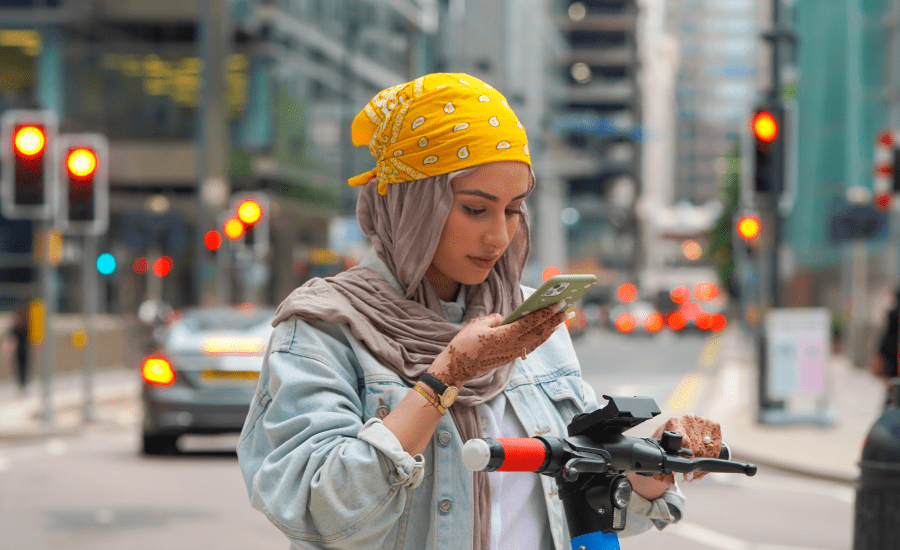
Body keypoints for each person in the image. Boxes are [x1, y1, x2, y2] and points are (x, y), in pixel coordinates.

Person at [237, 73, 721, 549]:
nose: (498, 237)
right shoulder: (325, 328)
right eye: (474, 208)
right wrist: (446, 377)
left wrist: (651, 463)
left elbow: (586, 497)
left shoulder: (530, 322)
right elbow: (322, 515)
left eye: (513, 209)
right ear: (411, 203)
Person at [7, 302, 30, 396]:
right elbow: (11, 339)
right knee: (19, 368)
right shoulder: (15, 327)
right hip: (18, 350)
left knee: (25, 368)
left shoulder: (25, 326)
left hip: (24, 349)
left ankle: (24, 385)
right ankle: (21, 385)